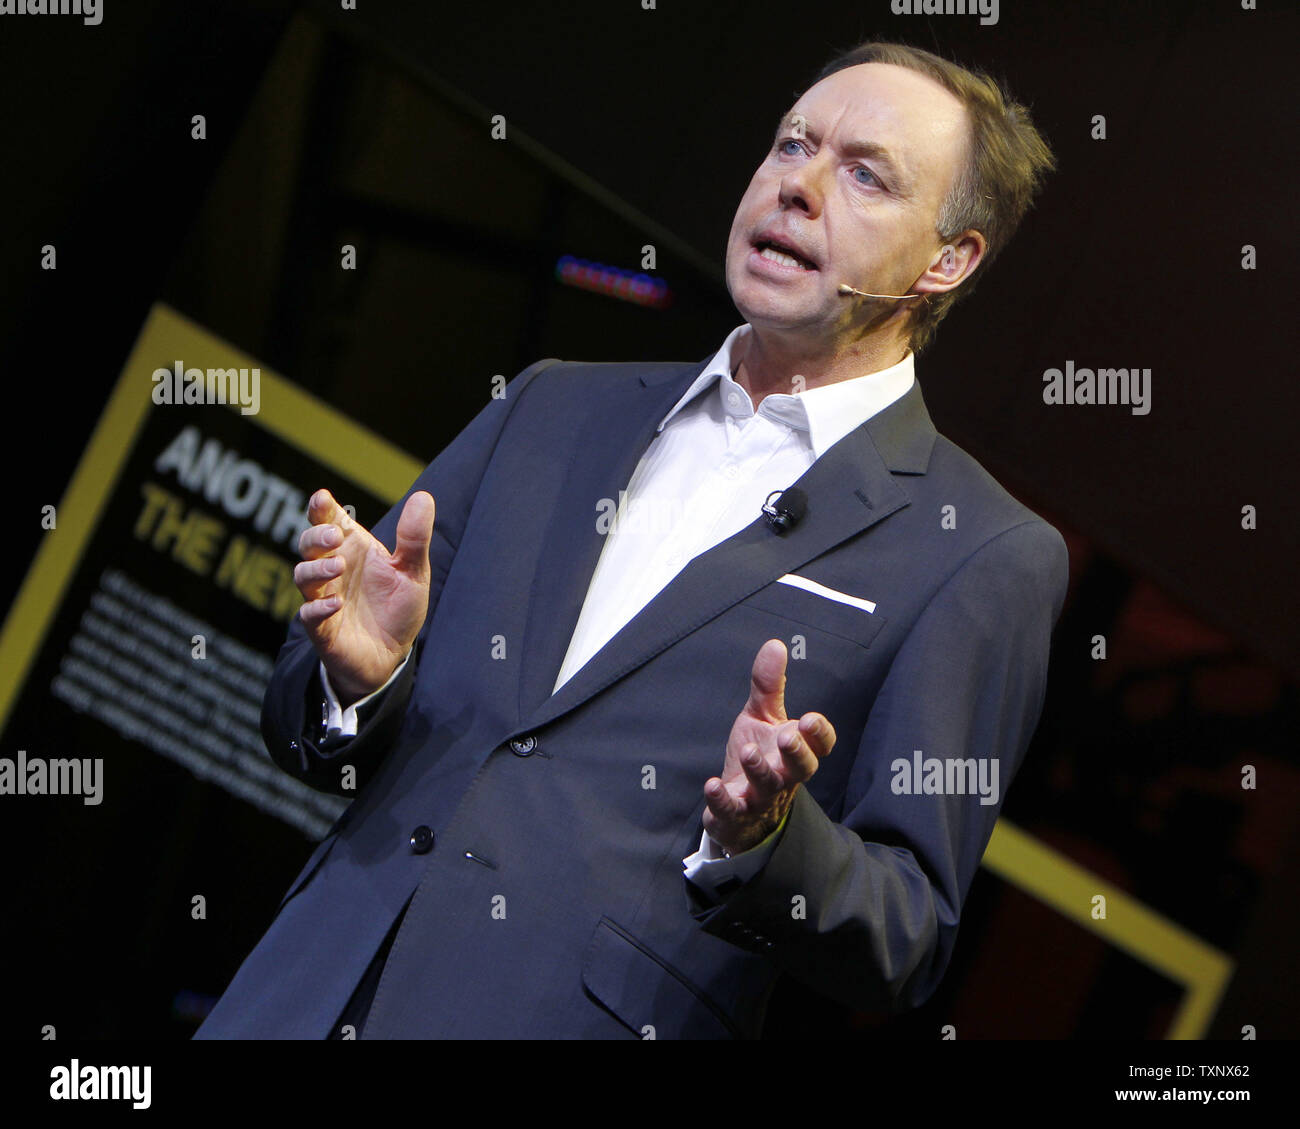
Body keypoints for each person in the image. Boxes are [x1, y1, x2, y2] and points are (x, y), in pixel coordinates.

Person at [196, 39, 1065, 1039]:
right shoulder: (551, 404)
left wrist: (764, 840)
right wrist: (360, 681)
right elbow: (304, 724)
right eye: (791, 145)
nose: (800, 187)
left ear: (948, 260)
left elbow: (905, 935)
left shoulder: (977, 551)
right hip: (296, 1004)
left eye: (865, 175)